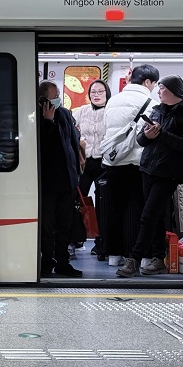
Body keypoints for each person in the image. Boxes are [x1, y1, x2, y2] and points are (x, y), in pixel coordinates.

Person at [117, 75, 183, 277]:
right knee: (156, 216)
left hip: (168, 173)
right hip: (148, 169)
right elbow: (142, 141)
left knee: (148, 216)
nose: (158, 91)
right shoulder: (157, 110)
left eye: (162, 88)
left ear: (174, 91)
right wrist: (147, 135)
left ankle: (134, 260)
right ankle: (159, 258)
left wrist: (161, 134)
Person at [100, 64, 159, 267]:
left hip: (114, 162)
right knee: (144, 212)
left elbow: (106, 128)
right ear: (147, 82)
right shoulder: (151, 103)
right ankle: (143, 258)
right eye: (154, 83)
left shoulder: (113, 101)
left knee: (114, 211)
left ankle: (114, 255)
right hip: (139, 165)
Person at [38, 80, 83, 277]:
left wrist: (77, 173)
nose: (57, 99)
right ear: (43, 99)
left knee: (65, 225)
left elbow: (73, 142)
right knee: (47, 226)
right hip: (47, 182)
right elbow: (41, 147)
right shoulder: (37, 116)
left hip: (68, 180)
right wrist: (47, 122)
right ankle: (46, 261)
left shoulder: (64, 114)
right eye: (54, 96)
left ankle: (63, 261)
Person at [72, 79, 110, 258]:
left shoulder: (111, 111)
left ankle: (101, 243)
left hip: (104, 162)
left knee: (104, 203)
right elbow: (73, 131)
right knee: (78, 200)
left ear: (107, 93)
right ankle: (76, 238)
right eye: (93, 92)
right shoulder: (81, 111)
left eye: (100, 91)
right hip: (85, 162)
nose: (96, 95)